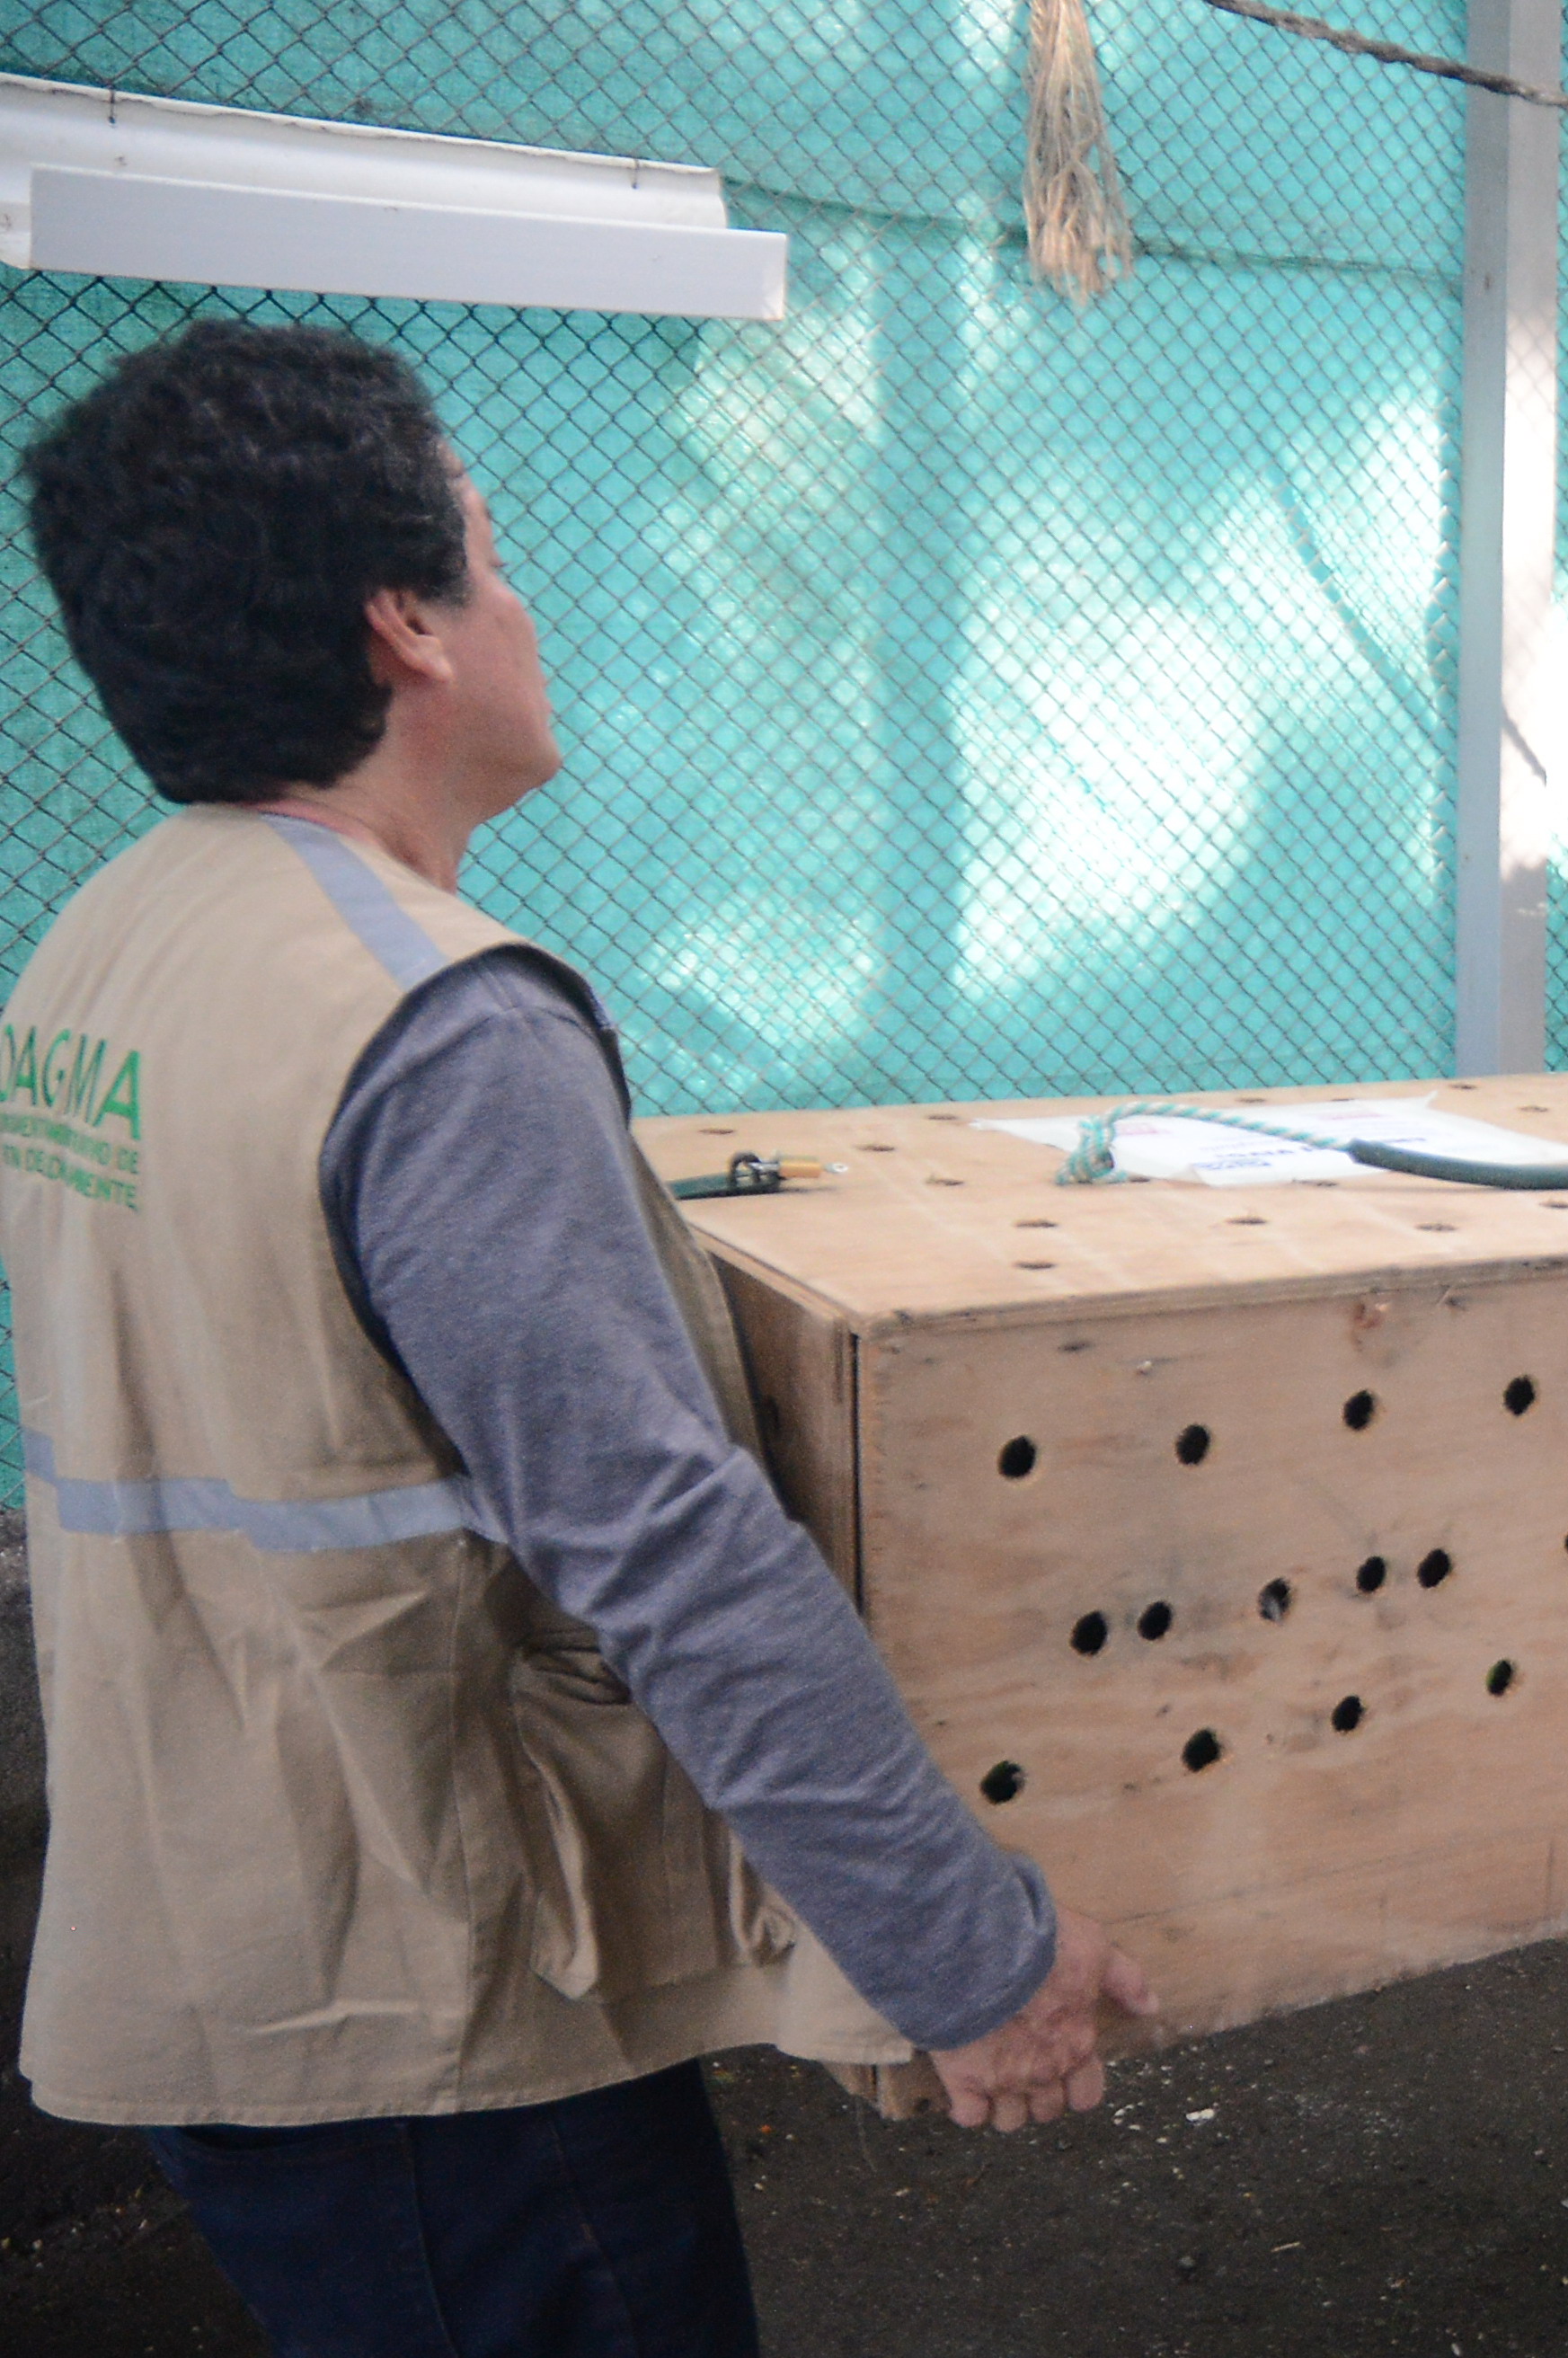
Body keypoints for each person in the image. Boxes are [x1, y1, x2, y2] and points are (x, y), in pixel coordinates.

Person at [1, 323, 1152, 2354]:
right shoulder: (437, 1021)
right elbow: (669, 1540)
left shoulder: (116, 934)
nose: (526, 601)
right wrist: (961, 1949)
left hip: (201, 1933)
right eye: (493, 547)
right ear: (406, 626)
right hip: (433, 2008)